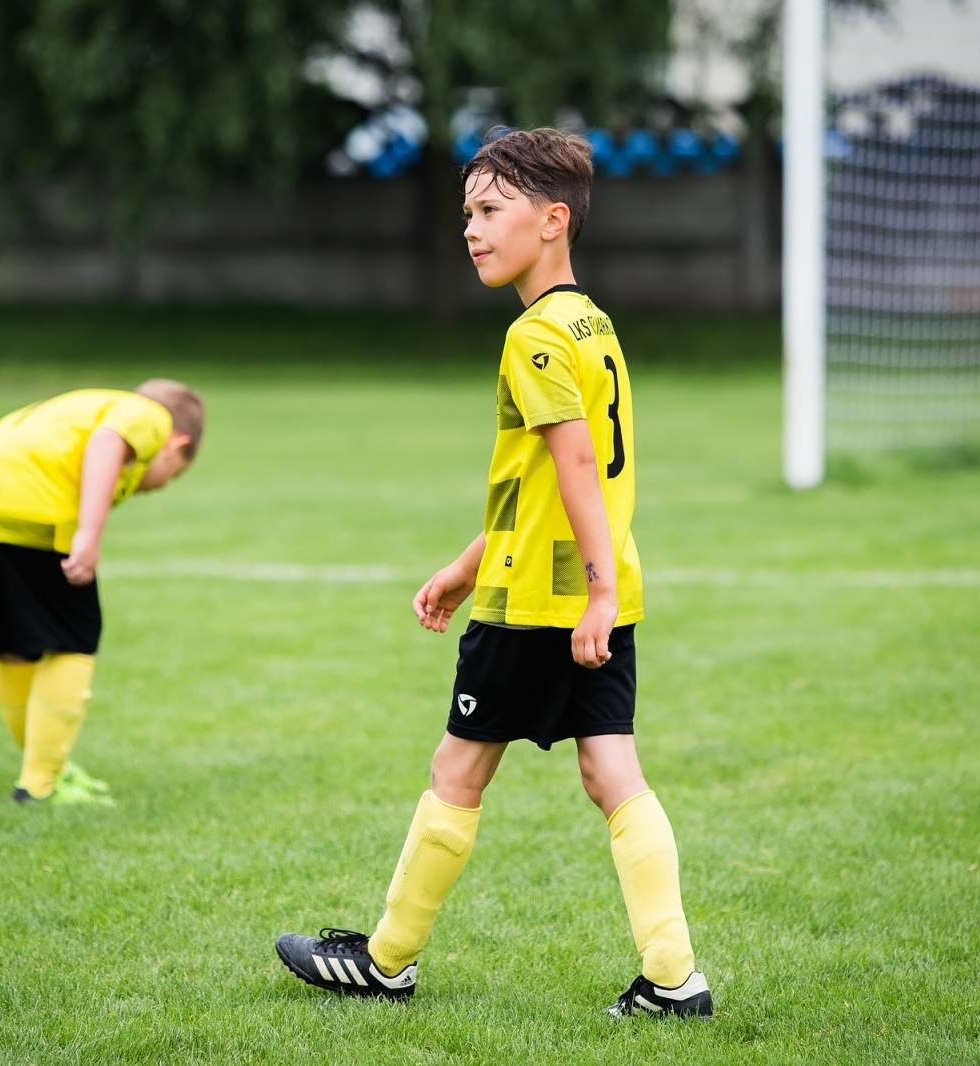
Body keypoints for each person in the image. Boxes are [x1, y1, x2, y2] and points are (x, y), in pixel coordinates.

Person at [274, 129, 711, 1017]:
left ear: (553, 221)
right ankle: (675, 978)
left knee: (457, 771)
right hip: (597, 589)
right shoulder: (592, 321)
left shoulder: (534, 336)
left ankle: (387, 960)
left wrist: (577, 588)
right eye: (466, 212)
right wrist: (474, 564)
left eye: (489, 210)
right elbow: (549, 480)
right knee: (613, 775)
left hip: (543, 604)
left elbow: (579, 467)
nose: (470, 230)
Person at [0, 382, 202, 806]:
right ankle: (40, 785)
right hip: (31, 502)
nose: (157, 484)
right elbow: (108, 441)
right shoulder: (150, 415)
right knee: (73, 637)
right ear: (177, 444)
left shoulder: (83, 409)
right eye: (173, 473)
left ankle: (48, 771)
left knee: (13, 646)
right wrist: (89, 533)